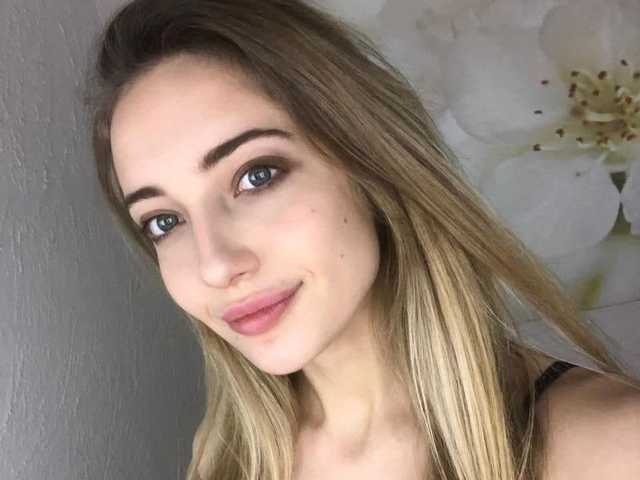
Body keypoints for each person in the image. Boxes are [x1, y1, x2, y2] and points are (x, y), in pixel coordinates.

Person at [82, 1, 640, 479]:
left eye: (257, 175)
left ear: (370, 167)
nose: (216, 265)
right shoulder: (227, 458)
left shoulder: (612, 449)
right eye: (164, 221)